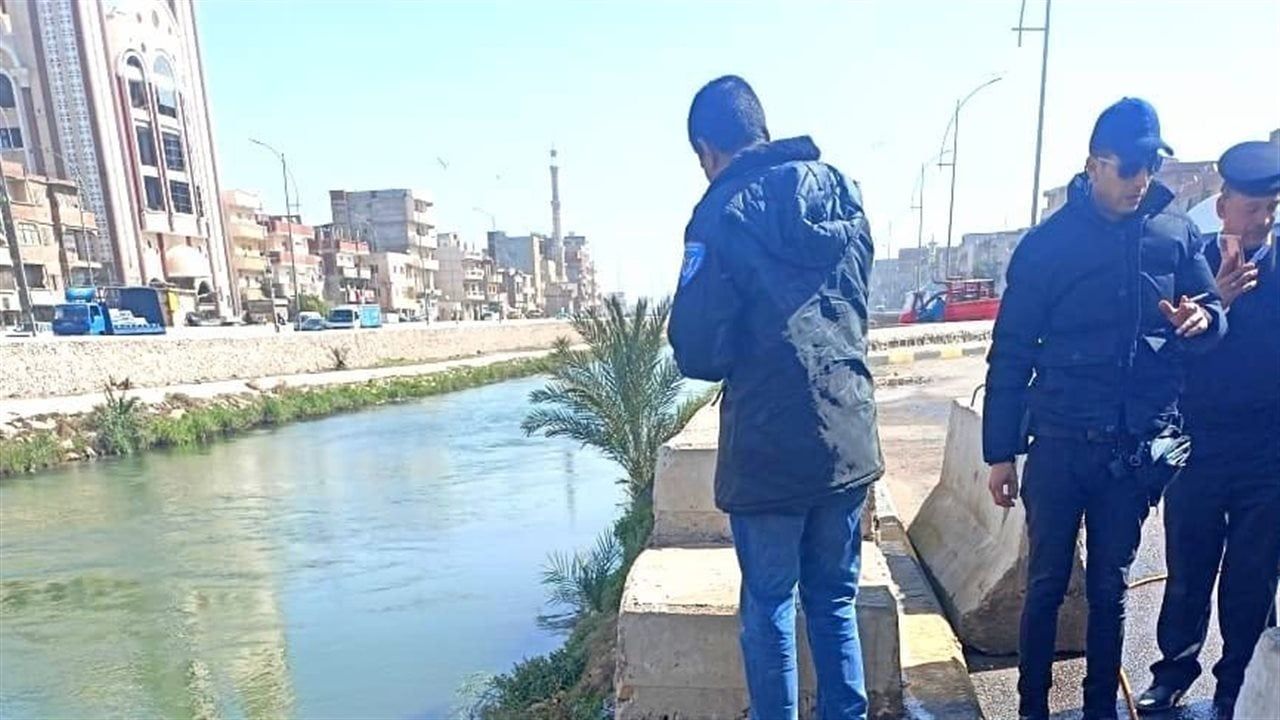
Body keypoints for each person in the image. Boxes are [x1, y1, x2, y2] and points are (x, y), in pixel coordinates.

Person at [982, 97, 1226, 720]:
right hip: (1060, 445)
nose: (1141, 180)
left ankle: (1099, 710)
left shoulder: (1174, 234)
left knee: (1110, 589)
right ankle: (1031, 708)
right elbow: (1010, 352)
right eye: (1129, 167)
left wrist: (1204, 318)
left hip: (1133, 452)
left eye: (1151, 167)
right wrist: (999, 452)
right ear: (1094, 165)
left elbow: (1210, 309)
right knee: (1046, 584)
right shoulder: (1047, 246)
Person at [669, 75, 883, 720]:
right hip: (847, 431)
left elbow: (698, 349)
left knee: (769, 606)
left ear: (706, 150)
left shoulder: (719, 212)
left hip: (767, 445)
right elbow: (854, 308)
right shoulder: (843, 191)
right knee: (835, 600)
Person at [1137, 140, 1280, 720]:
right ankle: (1172, 674)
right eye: (1251, 208)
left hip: (1266, 452)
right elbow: (1157, 351)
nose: (1262, 220)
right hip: (1196, 444)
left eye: (1271, 208)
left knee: (1253, 577)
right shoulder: (1188, 261)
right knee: (1188, 567)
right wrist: (1215, 300)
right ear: (1223, 208)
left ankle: (1238, 684)